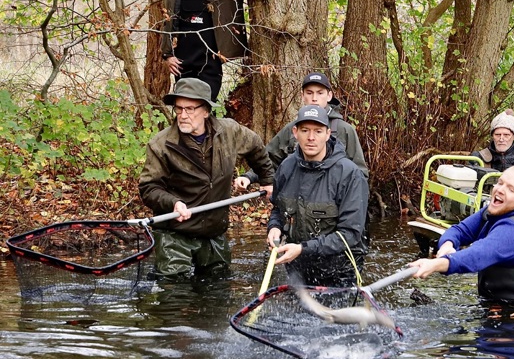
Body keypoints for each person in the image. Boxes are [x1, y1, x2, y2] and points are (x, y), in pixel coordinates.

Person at [138, 78, 274, 278]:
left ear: (206, 110)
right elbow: (149, 188)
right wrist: (173, 203)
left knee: (217, 287)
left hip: (213, 230)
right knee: (174, 292)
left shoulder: (229, 131)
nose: (183, 116)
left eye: (190, 109)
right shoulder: (161, 145)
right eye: (179, 109)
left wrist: (267, 180)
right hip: (174, 232)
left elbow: (256, 148)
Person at [410, 165, 514, 302]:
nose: (500, 190)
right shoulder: (492, 212)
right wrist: (447, 244)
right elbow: (460, 230)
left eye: (511, 190)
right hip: (495, 302)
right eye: (500, 183)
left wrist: (435, 265)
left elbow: (477, 255)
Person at [266, 105, 369, 287]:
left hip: (340, 272)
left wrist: (303, 249)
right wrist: (274, 227)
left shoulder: (350, 175)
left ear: (328, 134)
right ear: (295, 133)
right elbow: (277, 209)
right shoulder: (286, 167)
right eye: (305, 130)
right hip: (298, 268)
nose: (311, 138)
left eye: (318, 131)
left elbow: (350, 234)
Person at [234, 72, 368, 189]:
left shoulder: (345, 130)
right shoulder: (292, 129)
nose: (314, 98)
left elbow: (360, 174)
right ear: (302, 96)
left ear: (329, 96)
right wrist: (249, 177)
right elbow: (269, 159)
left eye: (320, 93)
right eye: (309, 93)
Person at [161, 0, 248, 102]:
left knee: (206, 104)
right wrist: (167, 55)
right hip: (183, 63)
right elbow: (168, 20)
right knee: (186, 105)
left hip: (211, 62)